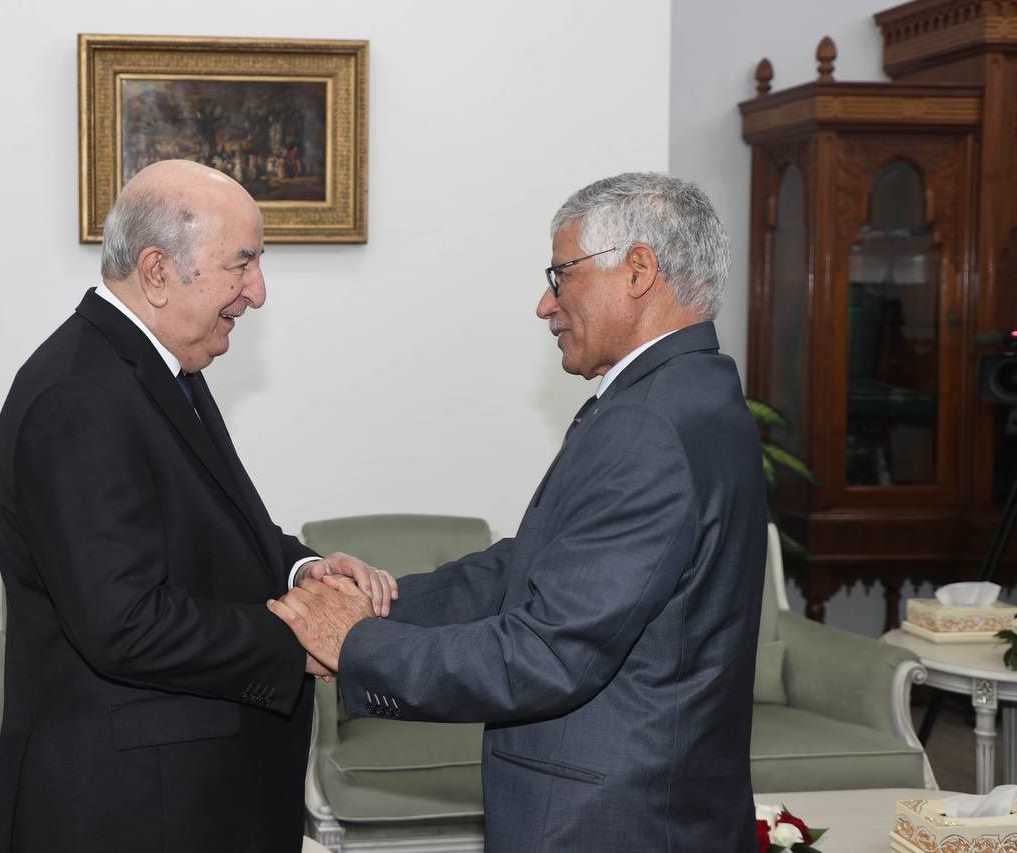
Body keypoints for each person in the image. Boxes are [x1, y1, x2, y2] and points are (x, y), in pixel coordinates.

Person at [269, 172, 767, 852]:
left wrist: (355, 643)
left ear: (638, 269)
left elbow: (547, 654)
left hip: (612, 826)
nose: (545, 304)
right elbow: (531, 567)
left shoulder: (648, 424)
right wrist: (381, 602)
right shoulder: (690, 395)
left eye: (562, 275)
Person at [0, 159, 394, 853]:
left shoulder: (154, 367)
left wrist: (304, 572)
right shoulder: (80, 397)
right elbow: (124, 624)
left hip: (183, 796)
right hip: (131, 810)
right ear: (156, 271)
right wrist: (300, 636)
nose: (258, 292)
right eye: (242, 263)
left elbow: (207, 530)